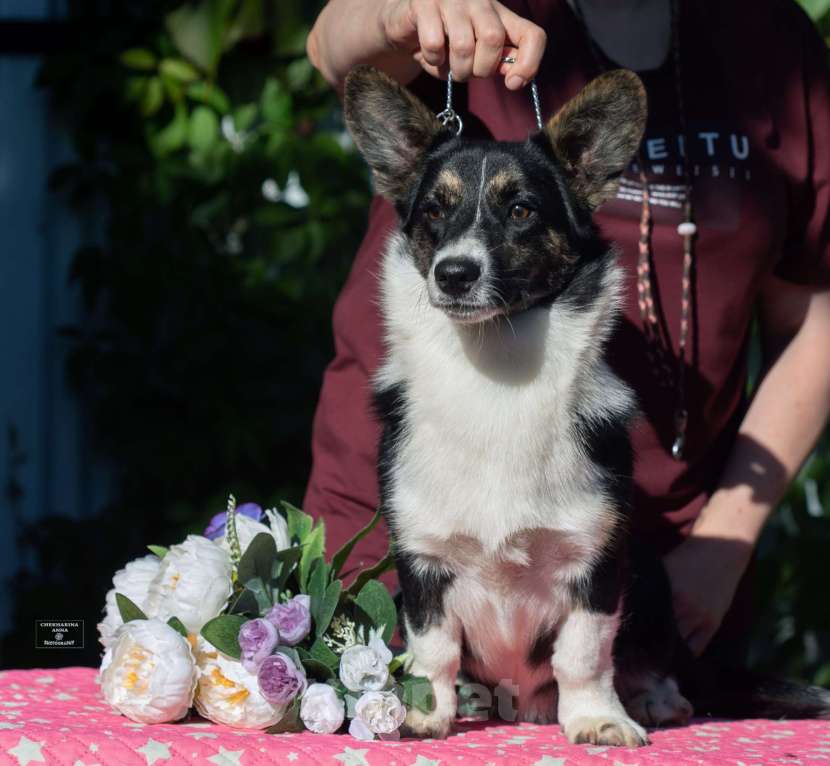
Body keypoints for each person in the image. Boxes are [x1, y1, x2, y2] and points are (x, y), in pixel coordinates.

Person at [304, 0, 830, 660]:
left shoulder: (770, 40)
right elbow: (331, 48)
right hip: (403, 556)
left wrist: (720, 547)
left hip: (640, 581)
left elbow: (813, 316)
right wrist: (405, 11)